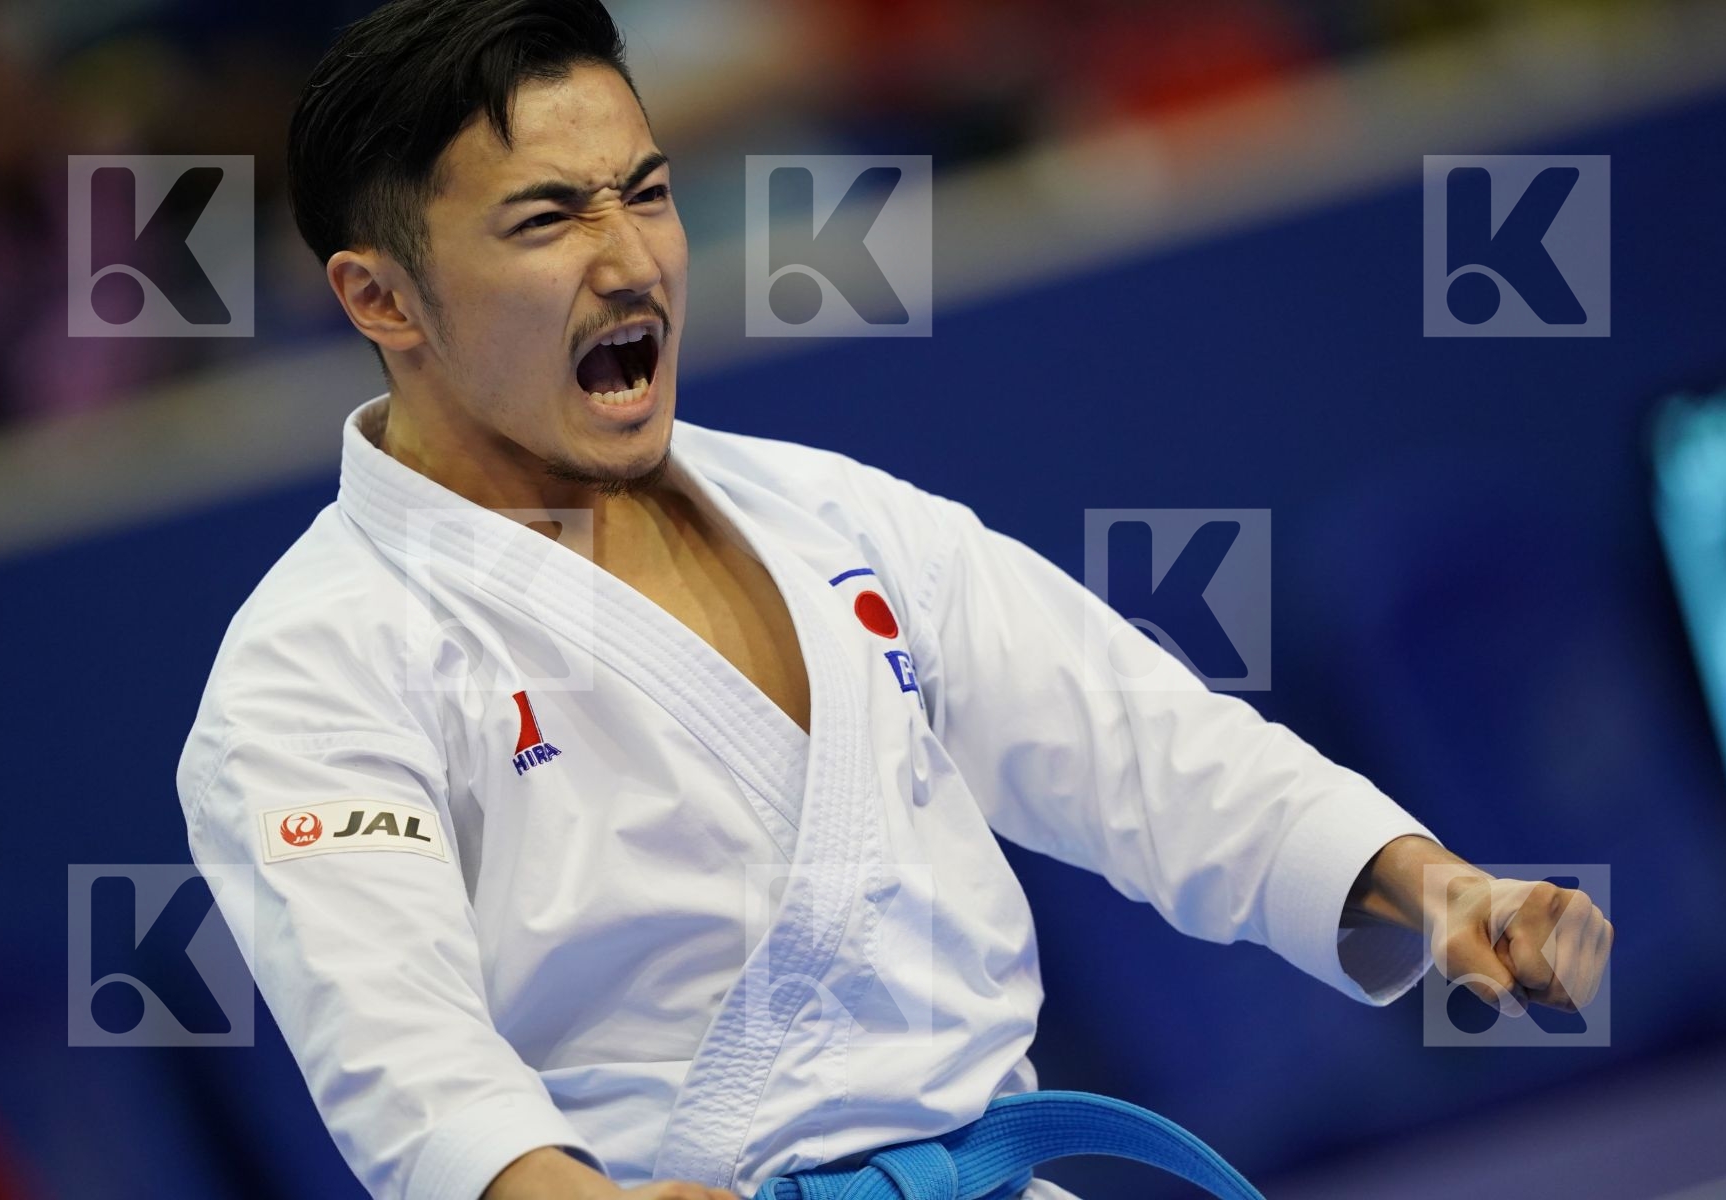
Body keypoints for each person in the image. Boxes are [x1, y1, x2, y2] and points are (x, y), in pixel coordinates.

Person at [177, 2, 1613, 1198]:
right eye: (548, 217)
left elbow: (1139, 742)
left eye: (650, 192)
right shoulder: (315, 668)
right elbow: (401, 1054)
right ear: (381, 299)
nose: (629, 260)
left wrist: (1428, 885)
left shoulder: (830, 512)